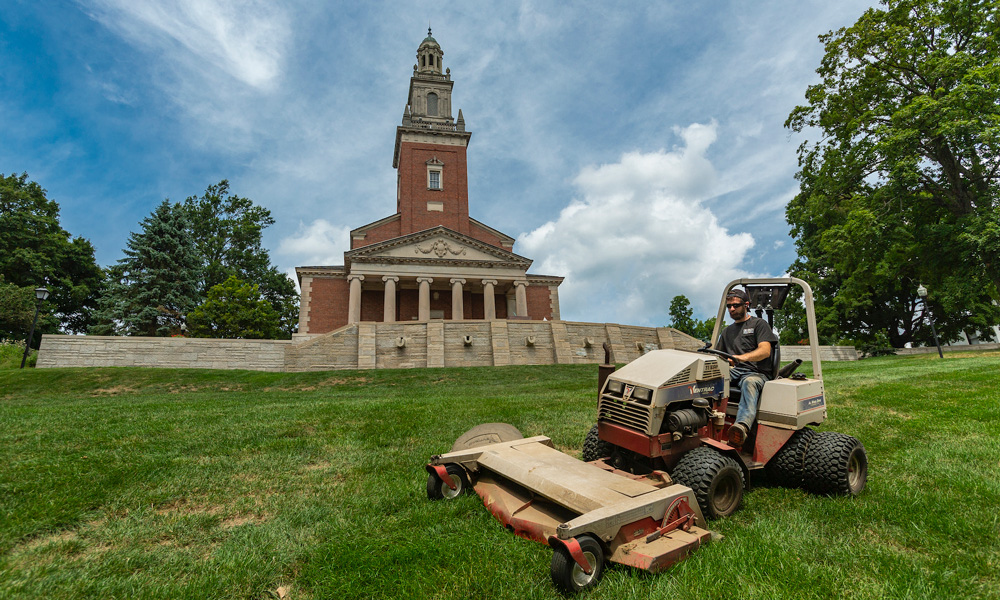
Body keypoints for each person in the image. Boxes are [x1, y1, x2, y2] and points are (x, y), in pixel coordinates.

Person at [717, 288, 779, 447]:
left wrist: (741, 358)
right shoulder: (726, 332)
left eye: (735, 305)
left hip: (756, 373)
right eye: (729, 306)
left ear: (746, 305)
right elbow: (718, 356)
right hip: (733, 372)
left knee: (749, 382)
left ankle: (741, 427)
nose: (731, 309)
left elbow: (765, 351)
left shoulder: (759, 324)